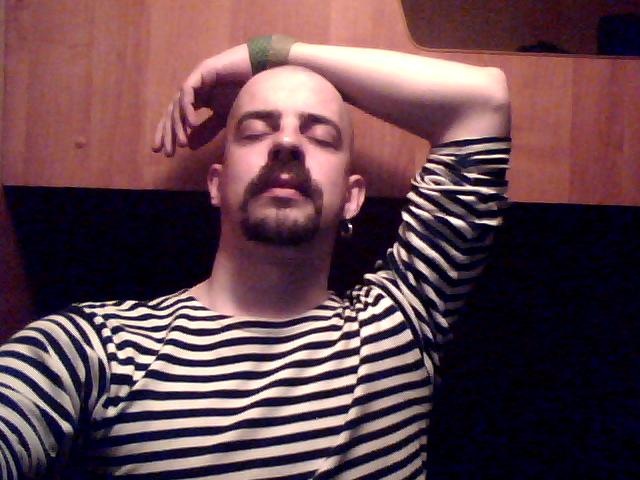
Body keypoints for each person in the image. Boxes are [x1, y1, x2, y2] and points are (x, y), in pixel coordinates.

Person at [0, 36, 510, 479]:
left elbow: (481, 102)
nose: (286, 143)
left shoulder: (401, 323)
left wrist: (267, 52)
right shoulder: (99, 350)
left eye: (319, 135)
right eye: (256, 131)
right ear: (216, 184)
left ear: (353, 198)